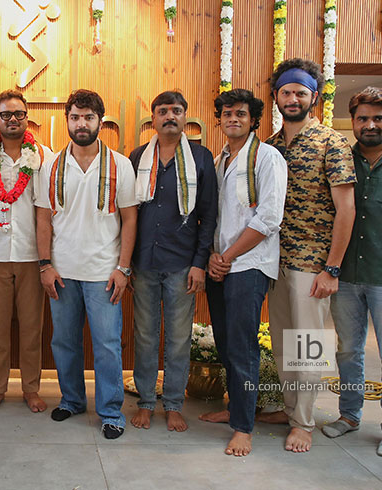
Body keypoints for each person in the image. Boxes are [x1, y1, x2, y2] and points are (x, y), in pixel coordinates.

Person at [259, 58, 356, 453]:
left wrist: (332, 268)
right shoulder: (269, 146)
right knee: (284, 343)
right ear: (276, 96)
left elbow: (346, 209)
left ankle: (304, 422)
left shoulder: (331, 143)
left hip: (312, 264)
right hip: (273, 261)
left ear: (314, 97)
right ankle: (289, 409)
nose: (293, 99)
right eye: (286, 92)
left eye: (300, 92)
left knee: (308, 346)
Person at [36, 89, 138, 440]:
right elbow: (44, 219)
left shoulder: (120, 165)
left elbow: (130, 219)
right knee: (64, 342)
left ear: (100, 121)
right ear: (67, 120)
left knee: (107, 345)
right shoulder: (50, 165)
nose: (82, 124)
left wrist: (123, 268)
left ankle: (110, 411)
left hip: (103, 273)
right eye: (76, 117)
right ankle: (72, 400)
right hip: (62, 272)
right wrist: (45, 265)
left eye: (89, 117)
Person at [322, 87, 382, 460]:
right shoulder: (342, 159)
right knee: (348, 350)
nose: (370, 124)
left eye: (378, 118)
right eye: (362, 118)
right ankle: (349, 414)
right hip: (345, 273)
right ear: (354, 122)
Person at [198, 89, 287, 457]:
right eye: (227, 113)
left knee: (243, 345)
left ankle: (244, 427)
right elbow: (215, 216)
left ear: (254, 120)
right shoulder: (219, 160)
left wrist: (227, 256)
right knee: (225, 342)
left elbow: (268, 218)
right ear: (219, 119)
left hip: (249, 264)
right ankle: (236, 407)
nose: (233, 118)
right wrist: (213, 257)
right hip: (220, 264)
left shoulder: (267, 157)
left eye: (241, 114)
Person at [129, 91, 217, 432]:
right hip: (144, 262)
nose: (170, 116)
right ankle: (146, 402)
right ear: (153, 119)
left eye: (176, 110)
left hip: (182, 263)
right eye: (163, 111)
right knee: (145, 336)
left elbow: (208, 216)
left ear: (185, 117)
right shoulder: (138, 157)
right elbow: (128, 214)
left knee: (179, 339)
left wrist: (200, 263)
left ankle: (174, 404)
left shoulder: (200, 158)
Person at [0, 89, 53, 413]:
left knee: (32, 329)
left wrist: (47, 259)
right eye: (6, 114)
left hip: (32, 256)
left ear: (27, 117)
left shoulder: (43, 156)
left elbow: (47, 209)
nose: (13, 119)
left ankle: (31, 389)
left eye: (19, 114)